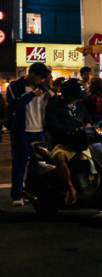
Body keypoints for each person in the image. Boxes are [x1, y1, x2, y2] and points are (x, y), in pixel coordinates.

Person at [7, 63, 54, 206]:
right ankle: (17, 195)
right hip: (22, 131)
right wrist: (31, 94)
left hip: (39, 131)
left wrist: (52, 95)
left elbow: (51, 105)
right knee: (19, 163)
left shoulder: (41, 87)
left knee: (39, 165)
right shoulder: (15, 85)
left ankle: (33, 192)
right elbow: (14, 104)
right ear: (32, 74)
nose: (41, 81)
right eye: (40, 77)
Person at [44, 79, 92, 205]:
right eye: (74, 97)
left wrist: (88, 128)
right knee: (59, 157)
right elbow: (52, 126)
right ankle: (70, 189)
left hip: (80, 143)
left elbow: (88, 120)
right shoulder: (53, 107)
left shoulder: (80, 106)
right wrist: (74, 130)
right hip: (62, 143)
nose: (75, 100)